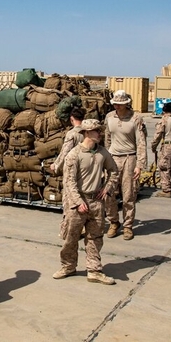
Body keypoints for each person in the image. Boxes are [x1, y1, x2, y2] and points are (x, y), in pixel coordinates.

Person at [53, 119, 119, 285]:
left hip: (96, 201)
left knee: (95, 237)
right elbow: (69, 182)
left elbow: (114, 172)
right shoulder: (74, 155)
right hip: (77, 203)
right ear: (87, 133)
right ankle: (68, 266)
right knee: (71, 237)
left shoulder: (103, 153)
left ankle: (94, 270)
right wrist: (77, 202)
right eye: (97, 131)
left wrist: (107, 188)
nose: (100, 133)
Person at [104, 90, 147, 240]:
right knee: (108, 193)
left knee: (129, 194)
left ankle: (128, 225)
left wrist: (140, 165)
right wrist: (106, 158)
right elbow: (107, 139)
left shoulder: (136, 119)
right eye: (115, 103)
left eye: (120, 104)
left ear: (126, 103)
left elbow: (141, 143)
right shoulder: (109, 117)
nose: (117, 106)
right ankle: (113, 222)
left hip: (129, 158)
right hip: (113, 158)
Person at [151, 102, 171, 197]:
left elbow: (158, 134)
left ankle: (166, 190)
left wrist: (153, 146)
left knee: (164, 167)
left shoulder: (164, 120)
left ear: (164, 111)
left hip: (168, 145)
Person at [51, 106, 86, 175]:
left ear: (71, 119)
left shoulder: (72, 133)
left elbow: (65, 151)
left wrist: (56, 166)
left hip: (75, 167)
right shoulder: (89, 131)